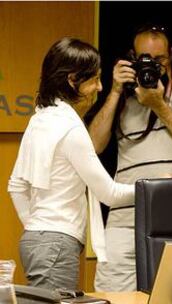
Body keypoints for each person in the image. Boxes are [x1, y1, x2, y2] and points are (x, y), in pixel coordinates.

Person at [88, 24, 172, 291]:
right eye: (145, 59)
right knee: (112, 293)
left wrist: (158, 104)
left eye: (159, 59)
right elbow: (93, 146)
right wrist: (113, 91)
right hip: (123, 219)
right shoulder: (120, 96)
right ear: (131, 58)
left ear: (170, 55)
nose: (153, 66)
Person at [7, 37, 135, 291]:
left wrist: (37, 227)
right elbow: (109, 193)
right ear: (73, 79)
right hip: (55, 243)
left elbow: (16, 187)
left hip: (36, 240)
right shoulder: (70, 128)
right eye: (95, 79)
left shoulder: (40, 119)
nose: (100, 87)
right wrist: (156, 187)